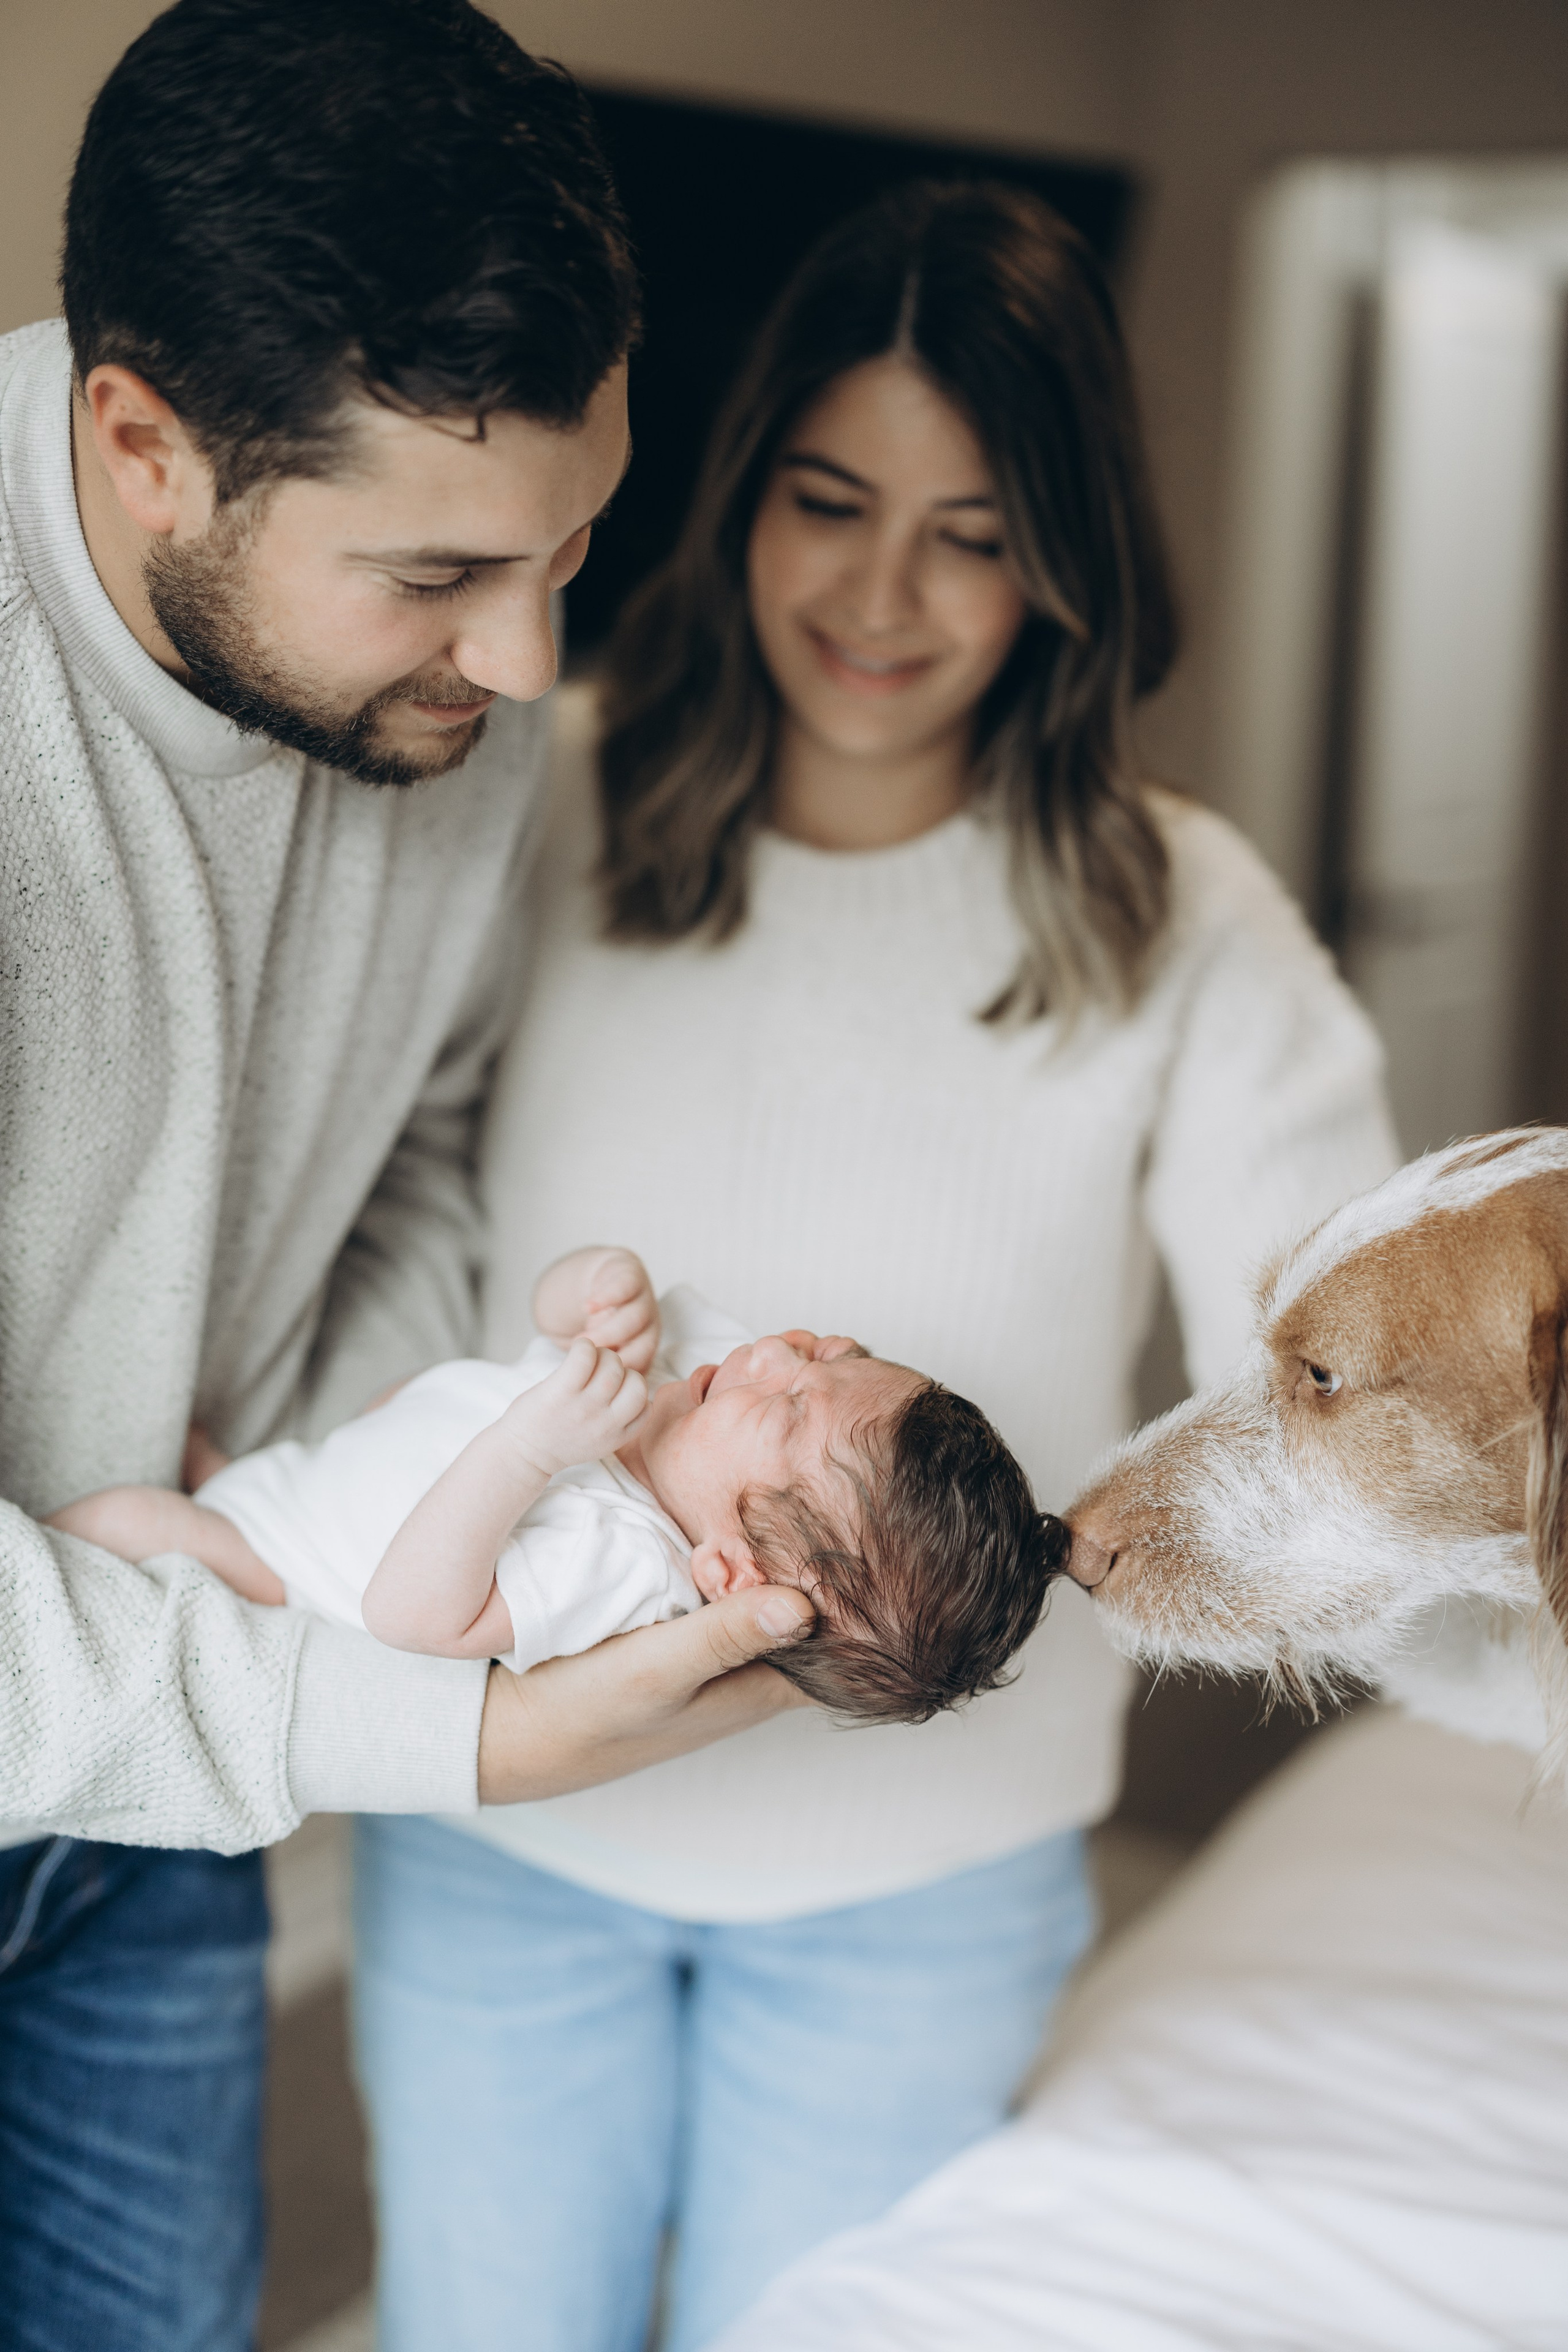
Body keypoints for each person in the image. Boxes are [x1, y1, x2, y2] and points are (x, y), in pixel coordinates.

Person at [352, 179, 1404, 2352]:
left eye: (975, 528)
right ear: (743, 489)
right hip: (496, 1826)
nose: (884, 596)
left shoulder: (1176, 916)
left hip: (922, 1882)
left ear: (1065, 559)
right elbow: (403, 1194)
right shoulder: (551, 797)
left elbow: (1329, 1372)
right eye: (832, 501)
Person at [0, 9, 814, 2349]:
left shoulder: (457, 703)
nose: (534, 661)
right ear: (147, 446)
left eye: (579, 541)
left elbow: (422, 1144)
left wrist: (320, 1503)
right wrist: (459, 1729)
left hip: (164, 1808)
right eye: (443, 570)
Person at [55, 1247, 1062, 1719]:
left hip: (282, 1566)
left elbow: (411, 1614)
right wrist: (586, 1291)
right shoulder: (698, 1379)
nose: (781, 1350)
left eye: (795, 1402)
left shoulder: (623, 1565)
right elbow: (547, 1328)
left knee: (125, 1519)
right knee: (148, 1392)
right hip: (307, 1468)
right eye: (839, 1351)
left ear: (731, 1571)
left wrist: (529, 1447)